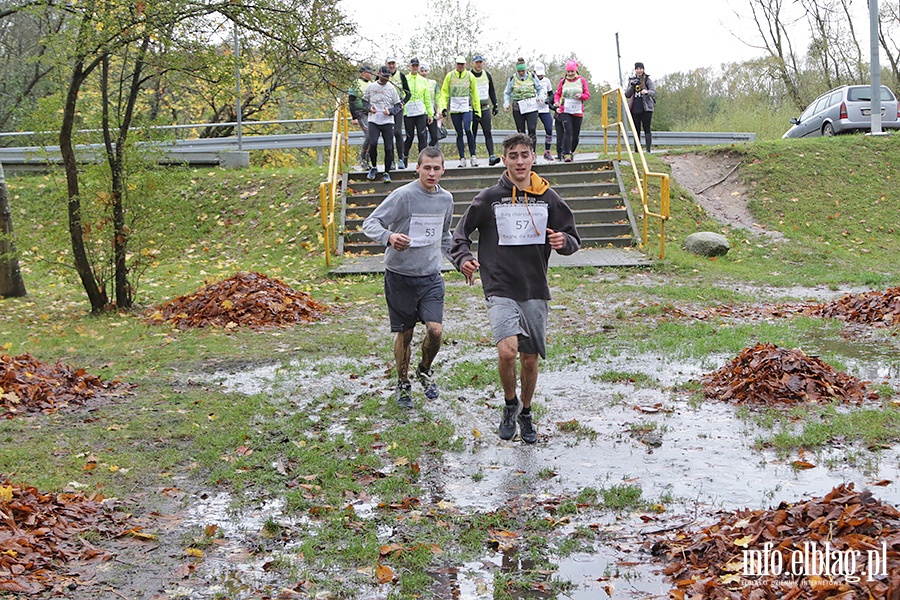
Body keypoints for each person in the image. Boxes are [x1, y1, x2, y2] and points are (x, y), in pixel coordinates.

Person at [450, 133, 581, 443]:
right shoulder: (489, 198)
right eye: (513, 155)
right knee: (508, 351)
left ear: (533, 157)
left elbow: (572, 237)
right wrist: (464, 258)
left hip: (534, 285)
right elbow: (460, 235)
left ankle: (525, 411)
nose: (519, 161)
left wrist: (565, 243)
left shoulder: (548, 197)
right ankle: (510, 403)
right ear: (504, 159)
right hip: (499, 285)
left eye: (525, 155)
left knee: (530, 359)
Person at [362, 147, 454, 408]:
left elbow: (445, 236)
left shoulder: (446, 199)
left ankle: (424, 369)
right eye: (427, 168)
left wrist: (461, 261)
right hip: (400, 275)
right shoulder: (403, 196)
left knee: (435, 331)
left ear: (443, 170)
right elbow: (370, 222)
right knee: (405, 334)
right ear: (418, 168)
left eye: (437, 168)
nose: (432, 173)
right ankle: (403, 383)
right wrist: (389, 237)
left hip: (430, 275)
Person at [362, 65, 403, 183]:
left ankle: (387, 172)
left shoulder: (391, 88)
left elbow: (398, 105)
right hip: (374, 120)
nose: (386, 79)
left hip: (387, 121)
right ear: (379, 74)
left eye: (388, 77)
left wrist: (390, 111)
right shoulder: (371, 86)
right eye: (384, 76)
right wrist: (370, 108)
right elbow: (364, 101)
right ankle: (374, 167)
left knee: (389, 148)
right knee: (373, 143)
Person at [441, 56, 481, 168]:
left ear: (465, 65)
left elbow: (475, 94)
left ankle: (473, 156)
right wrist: (443, 107)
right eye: (458, 64)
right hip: (454, 109)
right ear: (455, 64)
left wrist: (477, 111)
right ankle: (462, 158)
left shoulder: (470, 76)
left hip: (466, 108)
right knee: (459, 132)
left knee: (468, 129)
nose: (460, 66)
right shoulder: (449, 76)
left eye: (462, 64)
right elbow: (444, 93)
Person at [554, 60, 590, 162]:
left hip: (577, 111)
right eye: (568, 72)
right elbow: (558, 94)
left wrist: (581, 96)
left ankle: (571, 150)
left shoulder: (582, 80)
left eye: (572, 71)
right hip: (565, 110)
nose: (570, 74)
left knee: (575, 135)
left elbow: (587, 95)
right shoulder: (563, 81)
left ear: (576, 71)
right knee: (568, 130)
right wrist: (557, 101)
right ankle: (566, 153)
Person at [503, 58, 542, 151]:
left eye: (523, 71)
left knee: (532, 129)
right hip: (518, 108)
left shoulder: (532, 76)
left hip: (531, 107)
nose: (521, 73)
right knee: (521, 132)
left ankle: (532, 152)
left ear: (526, 69)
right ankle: (524, 152)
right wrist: (506, 104)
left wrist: (540, 97)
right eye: (519, 71)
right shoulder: (512, 78)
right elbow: (507, 93)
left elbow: (540, 88)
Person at [402, 57, 434, 167]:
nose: (415, 68)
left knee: (422, 136)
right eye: (413, 66)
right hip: (408, 112)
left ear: (419, 67)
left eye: (417, 66)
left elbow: (427, 98)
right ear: (409, 67)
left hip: (421, 112)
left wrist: (430, 113)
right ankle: (404, 156)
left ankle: (423, 160)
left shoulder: (423, 81)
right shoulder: (405, 79)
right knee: (409, 136)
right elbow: (402, 95)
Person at [470, 54, 500, 166]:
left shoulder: (487, 75)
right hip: (473, 109)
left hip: (485, 108)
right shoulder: (469, 75)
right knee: (473, 133)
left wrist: (495, 104)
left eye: (480, 62)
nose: (479, 65)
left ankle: (491, 156)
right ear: (473, 63)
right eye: (477, 63)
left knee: (488, 132)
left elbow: (491, 90)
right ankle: (473, 157)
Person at [385, 57, 412, 169]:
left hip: (398, 108)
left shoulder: (401, 76)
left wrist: (403, 103)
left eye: (393, 63)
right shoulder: (382, 75)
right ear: (386, 64)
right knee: (388, 134)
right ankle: (390, 161)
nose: (391, 66)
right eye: (389, 64)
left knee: (397, 132)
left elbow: (408, 93)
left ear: (396, 64)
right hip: (386, 109)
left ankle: (400, 159)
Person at [625, 61, 656, 153]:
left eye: (640, 69)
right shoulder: (631, 80)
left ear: (643, 69)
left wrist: (646, 92)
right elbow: (627, 95)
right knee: (636, 130)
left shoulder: (647, 80)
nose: (639, 71)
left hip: (646, 108)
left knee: (647, 128)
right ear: (635, 70)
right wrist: (631, 86)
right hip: (635, 108)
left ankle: (648, 150)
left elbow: (653, 92)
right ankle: (636, 150)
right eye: (637, 69)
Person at [348, 65, 374, 169]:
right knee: (369, 135)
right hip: (360, 112)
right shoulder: (356, 83)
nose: (371, 74)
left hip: (371, 113)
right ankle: (363, 158)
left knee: (373, 137)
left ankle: (367, 160)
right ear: (363, 73)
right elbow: (351, 100)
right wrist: (354, 117)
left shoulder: (372, 84)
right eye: (369, 72)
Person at [533, 62, 555, 162]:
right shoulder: (530, 80)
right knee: (532, 130)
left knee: (549, 129)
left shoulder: (546, 81)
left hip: (544, 109)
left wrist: (548, 101)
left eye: (541, 74)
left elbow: (551, 95)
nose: (540, 75)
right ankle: (532, 152)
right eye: (538, 74)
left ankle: (547, 151)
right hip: (533, 109)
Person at [419, 62, 442, 147]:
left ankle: (431, 149)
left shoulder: (433, 83)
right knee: (422, 136)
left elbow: (438, 97)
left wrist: (439, 109)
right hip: (420, 112)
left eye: (426, 71)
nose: (424, 73)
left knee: (435, 137)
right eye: (422, 71)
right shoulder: (417, 83)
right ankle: (424, 153)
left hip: (431, 111)